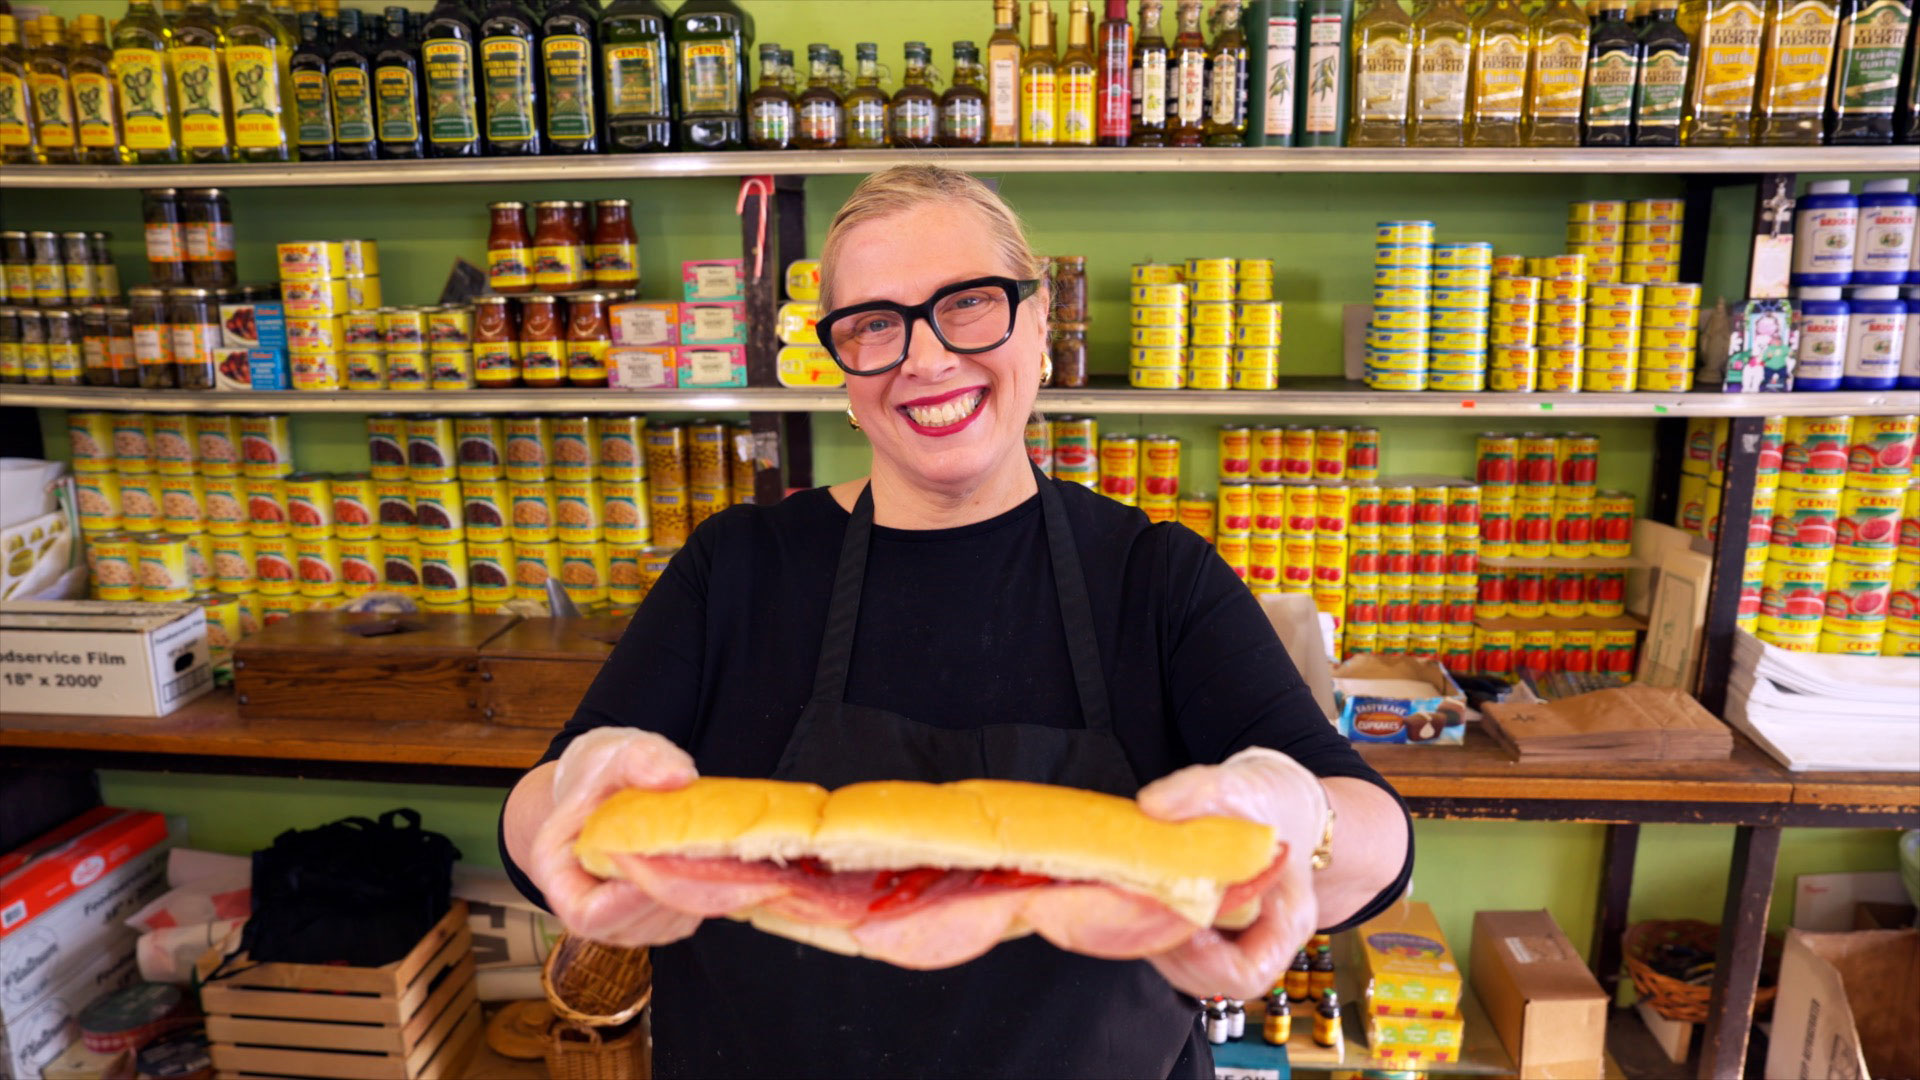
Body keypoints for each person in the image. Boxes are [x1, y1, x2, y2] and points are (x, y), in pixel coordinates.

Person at [500, 164, 1412, 1079]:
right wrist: (574, 792)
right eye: (873, 325)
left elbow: (1378, 840)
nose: (926, 359)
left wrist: (1300, 819)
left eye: (968, 303)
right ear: (840, 364)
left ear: (1039, 314)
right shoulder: (736, 565)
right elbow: (538, 811)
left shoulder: (1156, 577)